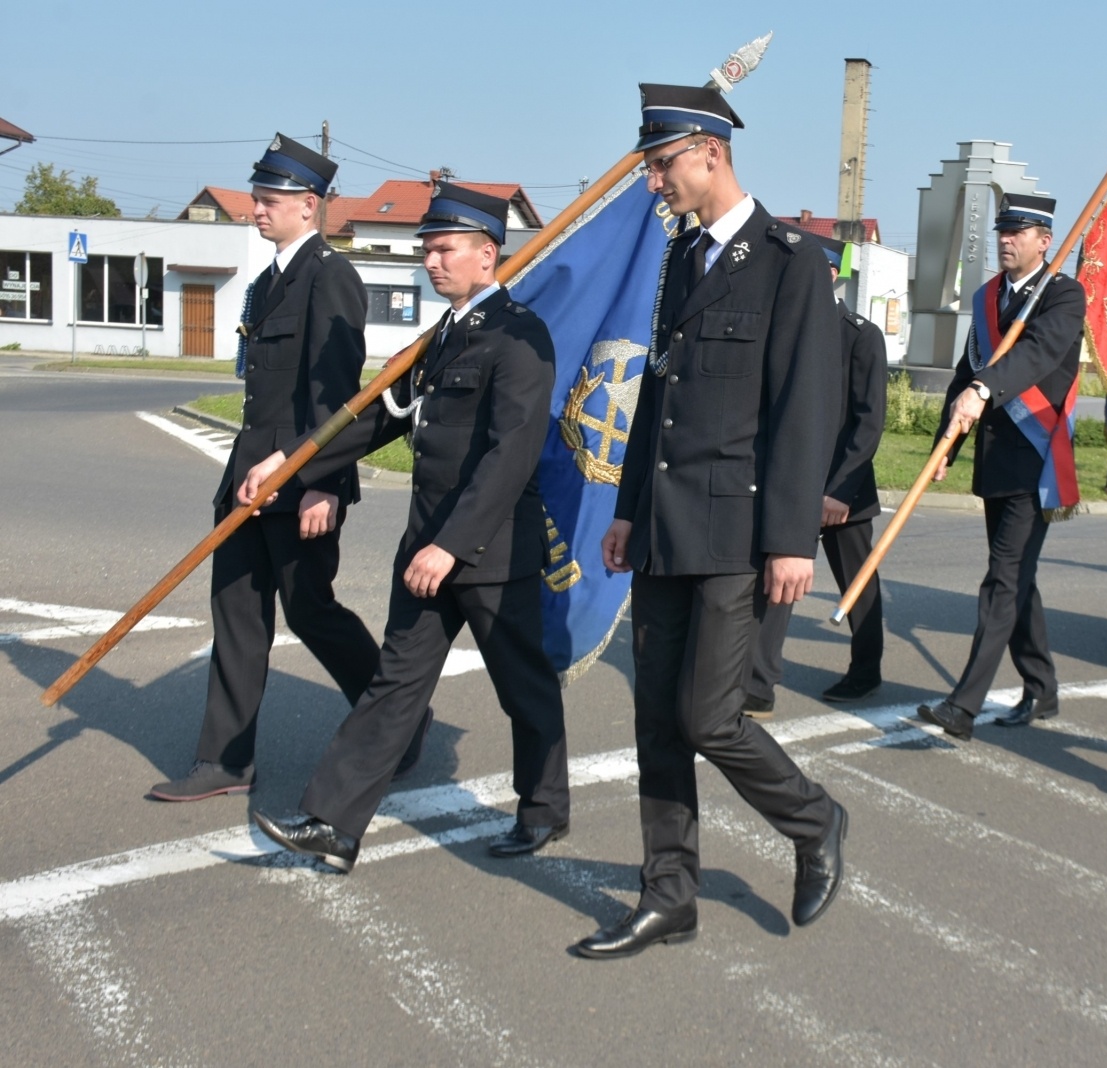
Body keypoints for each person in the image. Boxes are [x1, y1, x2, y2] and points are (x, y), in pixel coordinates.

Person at [578, 84, 847, 959]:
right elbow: (656, 392)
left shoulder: (790, 260)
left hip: (737, 529)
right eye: (653, 167)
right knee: (656, 718)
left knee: (709, 717)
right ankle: (670, 894)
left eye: (662, 165)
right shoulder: (679, 261)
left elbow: (804, 406)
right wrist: (625, 511)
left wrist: (790, 541)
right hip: (662, 524)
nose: (655, 182)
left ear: (709, 152)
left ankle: (814, 820)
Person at [244, 184, 569, 872]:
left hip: (488, 553)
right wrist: (293, 462)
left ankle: (543, 810)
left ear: (488, 254)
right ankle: (334, 825)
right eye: (426, 249)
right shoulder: (445, 336)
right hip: (427, 542)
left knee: (524, 686)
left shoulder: (520, 335)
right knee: (395, 683)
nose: (431, 260)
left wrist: (451, 546)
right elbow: (378, 418)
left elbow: (512, 453)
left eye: (445, 248)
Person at [151, 134, 425, 801]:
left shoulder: (330, 276)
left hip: (298, 479)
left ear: (309, 205)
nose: (255, 209)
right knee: (237, 617)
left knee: (311, 612)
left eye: (269, 200)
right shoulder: (273, 277)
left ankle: (399, 724)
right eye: (256, 198)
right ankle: (224, 761)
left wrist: (321, 484)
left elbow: (334, 396)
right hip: (248, 475)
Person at [917, 193, 1087, 737]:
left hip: (1035, 462)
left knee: (1002, 580)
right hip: (995, 461)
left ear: (1045, 240)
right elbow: (967, 372)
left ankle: (963, 707)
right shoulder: (988, 296)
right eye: (1002, 232)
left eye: (1020, 232)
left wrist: (985, 388)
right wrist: (947, 444)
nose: (1007, 240)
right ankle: (1041, 688)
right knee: (1019, 581)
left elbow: (1037, 353)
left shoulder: (1063, 296)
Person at [744, 235, 888, 716]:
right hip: (791, 484)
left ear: (832, 274)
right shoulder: (779, 324)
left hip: (840, 489)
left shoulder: (860, 334)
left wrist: (838, 488)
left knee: (858, 585)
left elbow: (869, 423)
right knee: (777, 581)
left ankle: (866, 672)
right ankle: (757, 683)